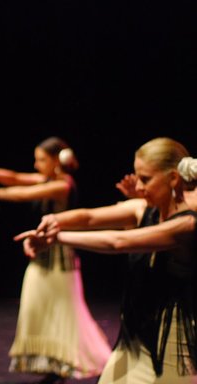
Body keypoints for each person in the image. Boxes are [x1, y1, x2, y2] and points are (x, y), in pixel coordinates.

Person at [16, 137, 197, 383]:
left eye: (146, 179)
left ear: (174, 178)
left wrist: (57, 238)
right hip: (134, 335)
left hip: (172, 341)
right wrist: (54, 221)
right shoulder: (143, 209)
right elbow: (89, 217)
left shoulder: (187, 224)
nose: (140, 186)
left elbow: (118, 242)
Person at [0, 137, 111, 382]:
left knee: (62, 313)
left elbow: (24, 192)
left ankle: (63, 361)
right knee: (37, 308)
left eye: (41, 160)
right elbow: (16, 177)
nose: (36, 165)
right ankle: (51, 362)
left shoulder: (63, 185)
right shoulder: (48, 179)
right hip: (41, 257)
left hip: (61, 262)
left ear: (57, 161)